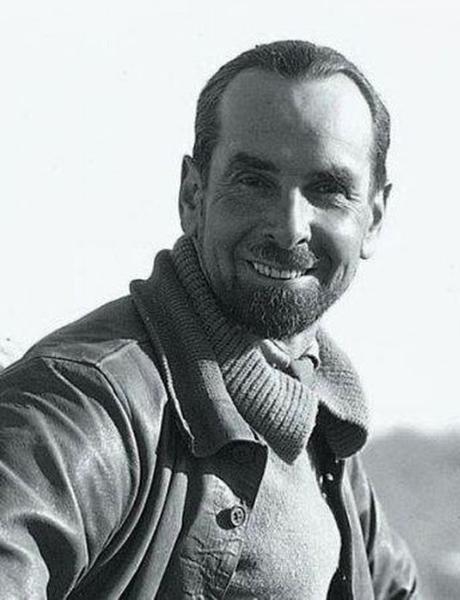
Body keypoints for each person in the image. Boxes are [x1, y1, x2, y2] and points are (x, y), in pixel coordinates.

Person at [0, 40, 419, 599]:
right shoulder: (79, 407)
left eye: (329, 190)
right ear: (192, 195)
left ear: (375, 218)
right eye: (254, 182)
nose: (290, 227)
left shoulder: (322, 420)